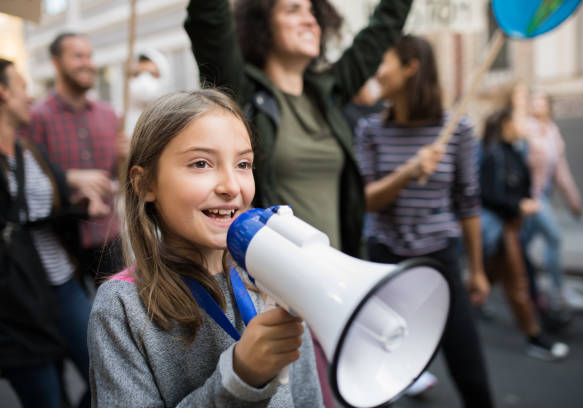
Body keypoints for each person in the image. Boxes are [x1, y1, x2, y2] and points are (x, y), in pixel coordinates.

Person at [184, 1, 416, 405]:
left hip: (347, 282)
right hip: (286, 295)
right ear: (262, 25)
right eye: (293, 9)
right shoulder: (244, 93)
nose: (309, 18)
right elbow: (209, 19)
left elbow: (383, 27)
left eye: (313, 10)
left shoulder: (328, 91)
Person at [87, 89, 323, 407]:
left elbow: (307, 397)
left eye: (243, 163)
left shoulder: (278, 275)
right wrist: (240, 377)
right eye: (201, 163)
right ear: (145, 184)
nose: (231, 186)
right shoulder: (121, 308)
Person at [354, 34, 493, 407]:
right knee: (374, 376)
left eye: (384, 62)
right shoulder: (370, 130)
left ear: (410, 66)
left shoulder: (458, 130)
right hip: (384, 261)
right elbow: (364, 201)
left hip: (440, 261)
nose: (377, 73)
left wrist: (477, 270)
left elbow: (468, 203)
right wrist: (409, 171)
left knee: (471, 372)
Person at [0, 59, 105, 408]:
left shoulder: (28, 151)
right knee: (46, 397)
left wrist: (81, 208)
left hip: (62, 283)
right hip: (16, 300)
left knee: (105, 370)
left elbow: (48, 210)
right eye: (22, 87)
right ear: (2, 92)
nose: (30, 97)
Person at [21, 32, 123, 285]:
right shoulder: (35, 117)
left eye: (89, 56)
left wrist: (128, 157)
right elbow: (26, 178)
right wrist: (71, 178)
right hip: (61, 244)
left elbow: (120, 177)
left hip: (110, 239)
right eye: (78, 56)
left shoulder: (109, 115)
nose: (87, 63)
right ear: (56, 62)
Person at [480, 105, 570, 361]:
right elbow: (487, 195)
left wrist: (527, 201)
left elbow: (526, 184)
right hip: (503, 228)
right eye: (519, 119)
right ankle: (535, 337)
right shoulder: (495, 155)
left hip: (514, 226)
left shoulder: (515, 152)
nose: (524, 124)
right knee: (518, 283)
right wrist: (518, 205)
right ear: (507, 124)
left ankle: (461, 306)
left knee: (487, 276)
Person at [522, 91, 583, 311]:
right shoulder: (526, 129)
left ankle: (504, 285)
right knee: (554, 238)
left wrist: (573, 200)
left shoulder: (552, 132)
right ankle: (558, 292)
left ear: (549, 106)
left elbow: (560, 170)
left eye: (541, 101)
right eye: (534, 101)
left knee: (519, 245)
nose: (537, 105)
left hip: (543, 195)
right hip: (532, 197)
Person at [124, 49, 172, 137]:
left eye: (152, 74)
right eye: (137, 74)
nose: (144, 80)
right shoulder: (119, 123)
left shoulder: (174, 120)